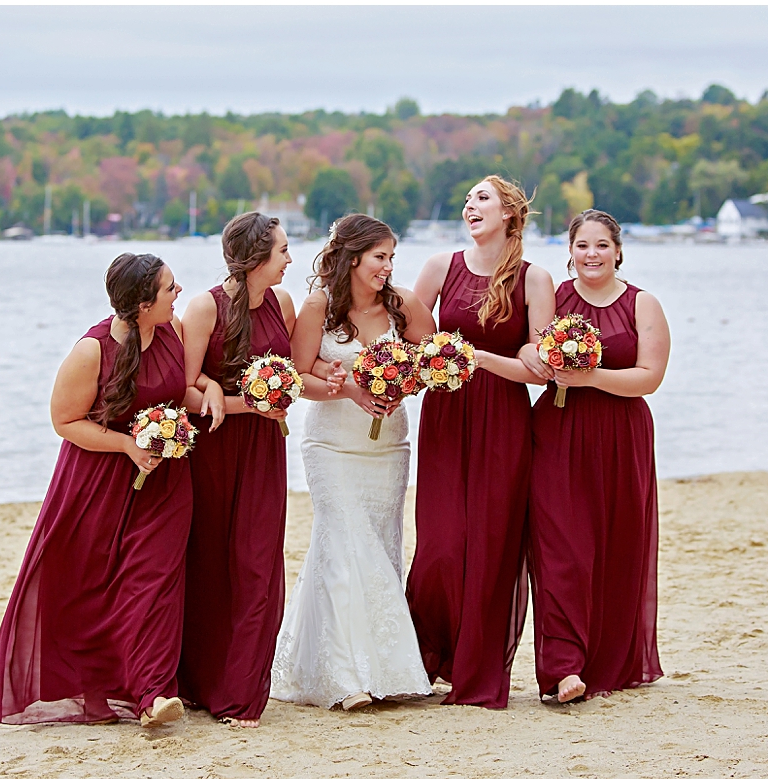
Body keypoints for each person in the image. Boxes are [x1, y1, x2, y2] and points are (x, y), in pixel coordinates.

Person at [0, 253, 196, 727]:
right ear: (142, 304)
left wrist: (203, 399)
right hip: (97, 480)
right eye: (169, 288)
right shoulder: (92, 351)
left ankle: (153, 694)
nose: (179, 292)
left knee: (156, 581)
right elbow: (64, 421)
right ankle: (100, 690)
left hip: (164, 481)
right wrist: (126, 444)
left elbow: (175, 390)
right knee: (94, 586)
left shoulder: (174, 330)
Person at [270, 215, 435, 712]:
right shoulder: (319, 304)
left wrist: (399, 384)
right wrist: (353, 390)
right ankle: (345, 677)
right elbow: (298, 377)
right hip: (331, 446)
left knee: (378, 548)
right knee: (344, 544)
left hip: (387, 447)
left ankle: (385, 668)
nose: (387, 267)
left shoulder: (403, 305)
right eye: (379, 256)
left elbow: (429, 367)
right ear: (353, 256)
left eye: (391, 257)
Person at [405, 176, 556, 708]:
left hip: (505, 421)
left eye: (482, 198)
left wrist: (475, 357)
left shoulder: (535, 280)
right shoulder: (438, 268)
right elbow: (409, 340)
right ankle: (422, 660)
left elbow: (537, 372)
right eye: (466, 198)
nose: (470, 205)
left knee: (492, 545)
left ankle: (476, 673)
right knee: (441, 546)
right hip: (447, 414)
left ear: (510, 213)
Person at [529, 209, 669, 703]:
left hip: (621, 435)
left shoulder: (641, 303)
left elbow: (650, 377)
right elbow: (533, 354)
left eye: (601, 245)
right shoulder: (554, 298)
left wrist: (592, 376)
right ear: (569, 251)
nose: (591, 254)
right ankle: (563, 668)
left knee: (615, 545)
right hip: (559, 431)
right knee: (560, 547)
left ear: (618, 250)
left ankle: (606, 660)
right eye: (582, 245)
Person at [177, 212, 297, 728]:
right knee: (208, 562)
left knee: (257, 565)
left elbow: (287, 377)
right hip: (214, 449)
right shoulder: (204, 306)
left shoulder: (284, 303)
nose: (290, 259)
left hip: (265, 450)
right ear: (256, 259)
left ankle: (242, 692)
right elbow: (180, 385)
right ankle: (199, 684)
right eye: (283, 251)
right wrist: (229, 397)